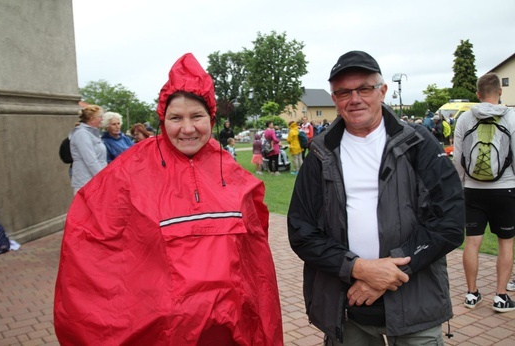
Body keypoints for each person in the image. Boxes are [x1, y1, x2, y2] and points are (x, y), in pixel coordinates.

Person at [54, 53, 283, 345]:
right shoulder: (128, 172)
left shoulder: (233, 172)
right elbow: (90, 240)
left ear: (210, 117)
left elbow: (255, 258)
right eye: (176, 118)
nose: (187, 129)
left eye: (196, 116)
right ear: (163, 119)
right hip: (163, 332)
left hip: (228, 331)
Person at [287, 50, 465, 344]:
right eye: (343, 91)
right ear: (334, 99)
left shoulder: (418, 142)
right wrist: (358, 268)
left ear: (382, 91)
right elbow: (301, 231)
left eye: (364, 88)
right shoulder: (320, 153)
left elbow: (450, 221)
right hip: (347, 305)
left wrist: (390, 272)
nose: (354, 98)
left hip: (415, 304)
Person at [453, 72, 515, 313]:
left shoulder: (465, 118)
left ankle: (471, 293)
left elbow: (459, 157)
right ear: (500, 91)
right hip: (506, 188)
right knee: (506, 244)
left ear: (477, 95)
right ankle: (500, 297)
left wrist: (461, 185)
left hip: (472, 189)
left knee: (472, 242)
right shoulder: (512, 117)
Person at [69, 105, 107, 195]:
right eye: (100, 117)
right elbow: (90, 160)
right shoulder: (82, 134)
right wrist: (103, 178)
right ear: (92, 119)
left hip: (94, 181)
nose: (102, 120)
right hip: (86, 182)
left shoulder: (92, 134)